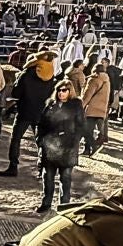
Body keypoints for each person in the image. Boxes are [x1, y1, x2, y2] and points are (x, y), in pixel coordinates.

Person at [37, 78, 89, 214]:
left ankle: (64, 205)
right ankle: (46, 203)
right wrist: (40, 140)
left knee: (65, 178)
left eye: (64, 90)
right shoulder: (50, 105)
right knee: (47, 177)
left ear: (69, 91)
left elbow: (81, 126)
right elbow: (41, 124)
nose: (61, 93)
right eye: (59, 90)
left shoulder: (75, 106)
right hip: (50, 147)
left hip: (67, 148)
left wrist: (74, 139)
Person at [0, 52, 56, 177]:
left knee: (16, 139)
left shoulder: (26, 74)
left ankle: (13, 166)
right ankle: (43, 169)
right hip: (42, 112)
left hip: (25, 110)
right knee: (41, 141)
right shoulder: (50, 75)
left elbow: (16, 93)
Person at [81, 58, 114, 156]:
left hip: (92, 108)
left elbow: (88, 95)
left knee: (87, 130)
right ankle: (87, 149)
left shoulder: (94, 79)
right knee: (90, 129)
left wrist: (81, 106)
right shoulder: (106, 79)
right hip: (102, 108)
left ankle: (93, 146)